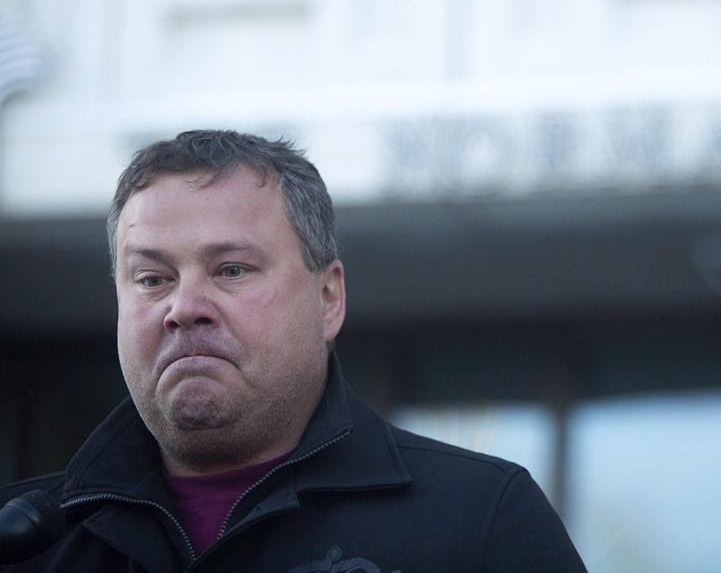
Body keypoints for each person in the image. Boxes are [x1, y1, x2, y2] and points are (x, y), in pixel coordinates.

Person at [0, 130, 587, 572]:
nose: (184, 306)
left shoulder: (481, 521)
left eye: (231, 269)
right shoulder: (23, 538)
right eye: (152, 279)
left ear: (328, 298)